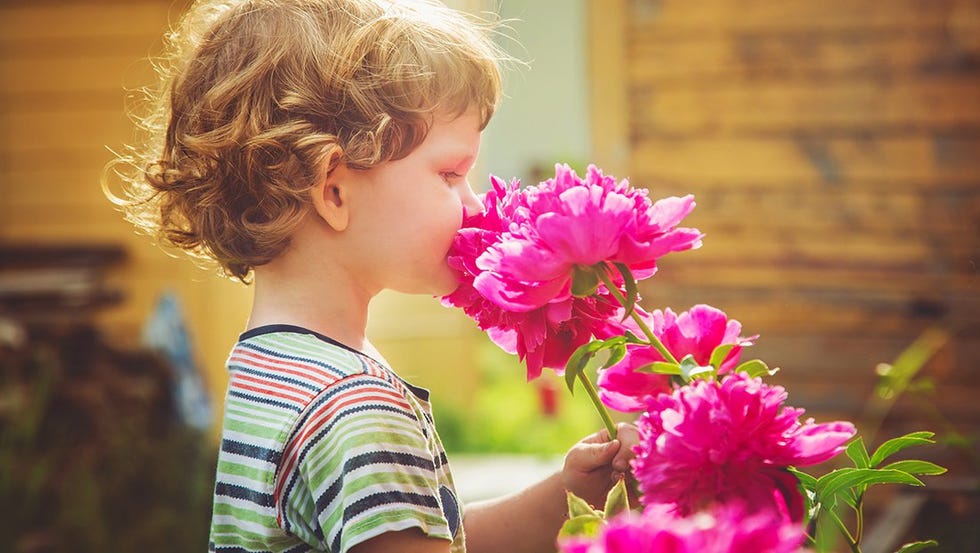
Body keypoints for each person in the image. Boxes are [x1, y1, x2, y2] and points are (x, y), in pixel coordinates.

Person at [105, 1, 638, 551]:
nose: (476, 205)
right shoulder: (355, 408)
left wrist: (571, 495)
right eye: (451, 174)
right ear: (333, 191)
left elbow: (432, 538)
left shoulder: (273, 363)